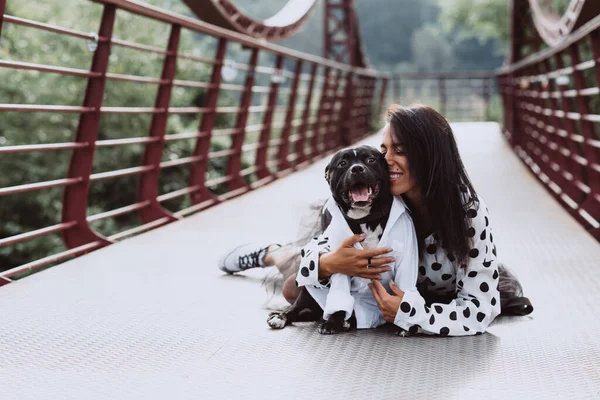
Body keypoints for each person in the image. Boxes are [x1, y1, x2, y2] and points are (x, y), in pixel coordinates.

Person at [218, 103, 533, 336]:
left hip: (418, 298)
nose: (386, 160)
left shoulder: (467, 213)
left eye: (400, 150)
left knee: (294, 288)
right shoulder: (378, 194)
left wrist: (410, 314)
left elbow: (479, 308)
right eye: (383, 149)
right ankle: (271, 252)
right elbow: (321, 248)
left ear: (430, 156)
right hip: (362, 280)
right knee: (292, 283)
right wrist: (330, 264)